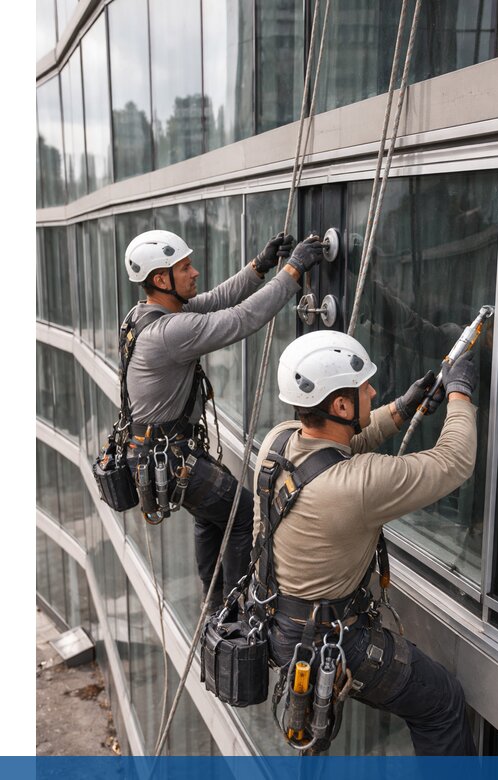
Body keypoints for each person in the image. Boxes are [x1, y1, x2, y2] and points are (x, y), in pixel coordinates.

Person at [252, 330, 479, 755]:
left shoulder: (279, 440)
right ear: (340, 406)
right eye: (364, 388)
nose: (373, 391)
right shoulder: (358, 484)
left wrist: (401, 408)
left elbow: (338, 446)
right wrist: (460, 394)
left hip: (282, 623)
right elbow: (454, 461)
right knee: (442, 701)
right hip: (332, 641)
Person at [122, 228, 326, 612]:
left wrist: (259, 266)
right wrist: (293, 271)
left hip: (160, 453)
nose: (194, 272)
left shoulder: (145, 315)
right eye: (185, 268)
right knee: (241, 511)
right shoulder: (170, 331)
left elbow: (216, 300)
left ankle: (214, 600)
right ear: (161, 279)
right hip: (167, 457)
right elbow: (241, 319)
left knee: (211, 512)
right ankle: (233, 608)